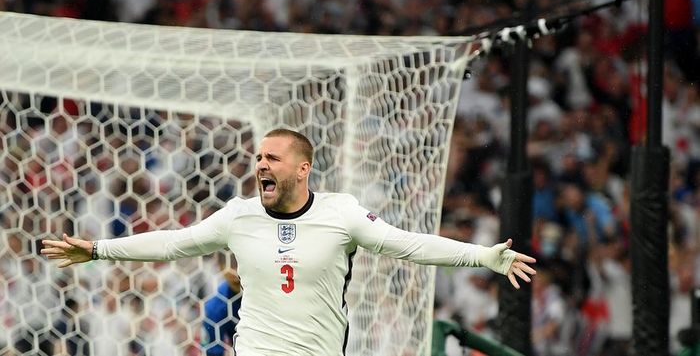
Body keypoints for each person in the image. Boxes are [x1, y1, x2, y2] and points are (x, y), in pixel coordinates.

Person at [41, 128, 537, 356]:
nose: (261, 165)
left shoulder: (341, 213)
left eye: (273, 158)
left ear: (302, 169)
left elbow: (407, 245)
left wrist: (484, 256)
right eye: (259, 158)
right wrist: (99, 250)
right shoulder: (239, 215)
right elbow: (174, 243)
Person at [201, 252, 242, 356]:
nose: (235, 272)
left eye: (237, 264)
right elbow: (211, 351)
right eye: (230, 265)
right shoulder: (215, 308)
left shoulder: (271, 293)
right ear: (219, 266)